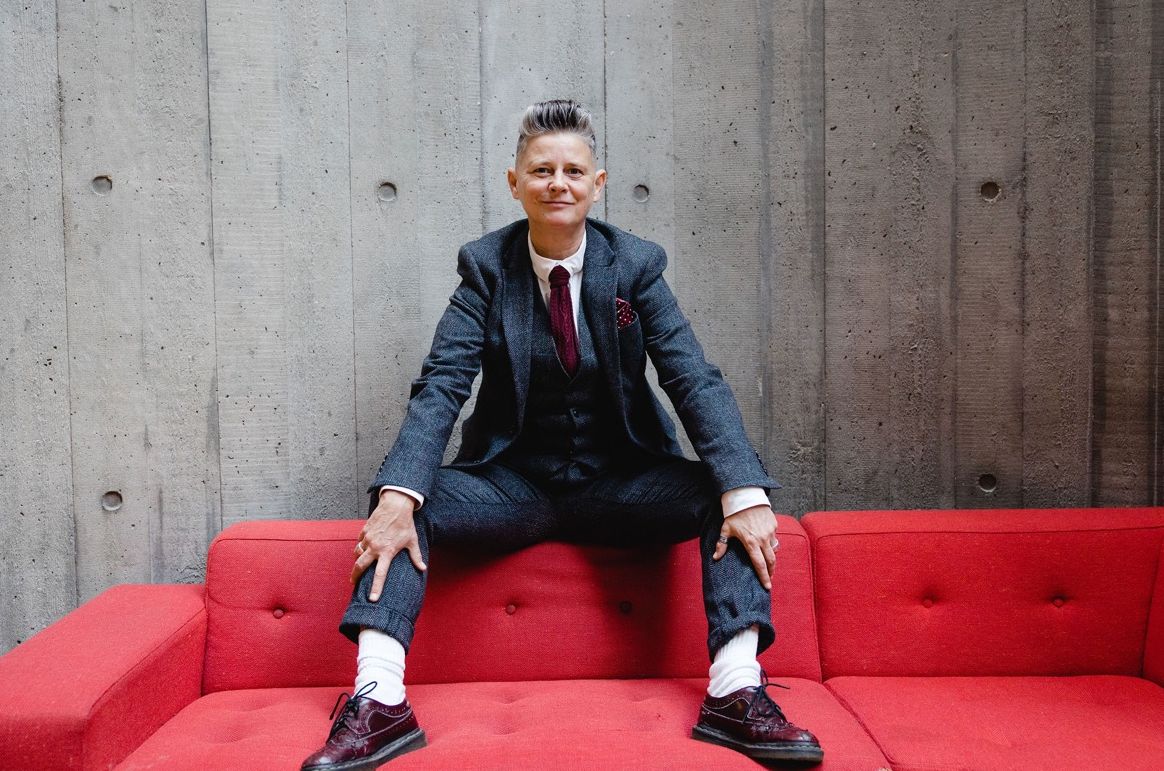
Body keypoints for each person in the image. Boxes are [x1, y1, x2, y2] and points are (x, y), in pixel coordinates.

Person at [301, 99, 823, 769]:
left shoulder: (634, 265)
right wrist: (396, 495)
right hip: (511, 485)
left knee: (724, 492)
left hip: (619, 483)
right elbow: (443, 384)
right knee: (405, 500)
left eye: (573, 170)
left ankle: (735, 694)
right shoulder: (486, 269)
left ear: (597, 183)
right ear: (514, 182)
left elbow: (693, 377)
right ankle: (378, 700)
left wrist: (745, 490)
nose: (558, 183)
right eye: (541, 170)